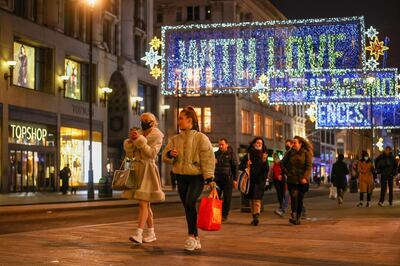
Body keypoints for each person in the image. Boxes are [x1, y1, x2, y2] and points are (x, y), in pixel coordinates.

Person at [162, 106, 215, 251]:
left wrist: (209, 179)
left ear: (189, 120)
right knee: (187, 207)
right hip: (181, 177)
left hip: (196, 177)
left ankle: (191, 236)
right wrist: (170, 155)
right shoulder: (175, 139)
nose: (178, 121)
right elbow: (164, 156)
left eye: (180, 118)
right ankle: (196, 238)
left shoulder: (201, 138)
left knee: (190, 202)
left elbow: (208, 159)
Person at [123, 112, 165, 244]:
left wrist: (139, 141)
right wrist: (131, 141)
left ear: (153, 122)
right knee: (146, 205)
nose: (144, 122)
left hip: (148, 170)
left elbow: (152, 153)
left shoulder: (157, 135)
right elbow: (130, 153)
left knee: (143, 203)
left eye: (147, 120)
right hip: (137, 170)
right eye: (142, 120)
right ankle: (151, 233)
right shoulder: (139, 132)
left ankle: (139, 234)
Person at [281, 136, 313, 225]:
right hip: (292, 179)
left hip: (303, 180)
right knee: (294, 196)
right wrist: (287, 173)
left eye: (295, 142)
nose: (293, 144)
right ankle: (294, 215)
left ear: (300, 143)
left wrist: (305, 177)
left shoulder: (306, 153)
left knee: (300, 199)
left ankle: (298, 217)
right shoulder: (289, 153)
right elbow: (282, 163)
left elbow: (308, 166)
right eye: (293, 142)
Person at [239, 137, 269, 226]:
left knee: (257, 199)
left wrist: (264, 161)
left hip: (259, 180)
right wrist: (246, 164)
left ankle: (256, 216)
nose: (259, 144)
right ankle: (254, 216)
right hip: (250, 180)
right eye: (257, 142)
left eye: (261, 143)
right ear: (253, 144)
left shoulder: (264, 155)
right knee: (251, 199)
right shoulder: (248, 155)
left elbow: (266, 169)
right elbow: (240, 166)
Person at [214, 138, 238, 221]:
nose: (220, 146)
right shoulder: (216, 154)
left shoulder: (231, 154)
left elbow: (235, 167)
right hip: (217, 179)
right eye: (219, 144)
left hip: (228, 179)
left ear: (226, 145)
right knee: (216, 198)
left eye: (222, 144)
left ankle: (224, 214)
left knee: (227, 198)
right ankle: (216, 214)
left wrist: (235, 179)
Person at [269, 153, 285, 217]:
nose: (275, 158)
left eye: (275, 157)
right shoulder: (272, 164)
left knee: (281, 192)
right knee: (280, 192)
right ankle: (281, 204)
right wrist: (270, 181)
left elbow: (284, 170)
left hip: (281, 179)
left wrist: (281, 175)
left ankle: (282, 204)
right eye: (274, 157)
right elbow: (270, 173)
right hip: (277, 180)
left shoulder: (280, 163)